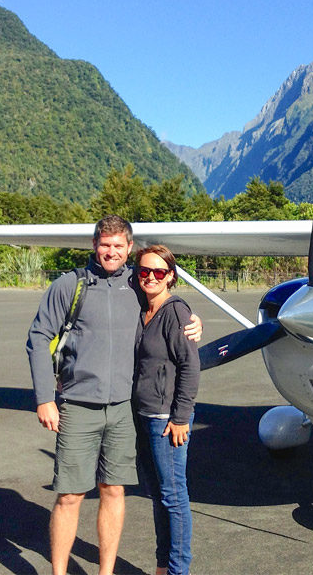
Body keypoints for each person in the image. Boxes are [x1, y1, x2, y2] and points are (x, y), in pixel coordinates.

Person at [26, 215, 202, 575]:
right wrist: (45, 397)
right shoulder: (69, 285)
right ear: (95, 246)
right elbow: (39, 337)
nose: (111, 252)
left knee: (113, 491)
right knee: (70, 495)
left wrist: (193, 319)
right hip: (78, 406)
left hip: (124, 409)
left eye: (118, 246)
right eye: (105, 245)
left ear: (128, 249)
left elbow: (165, 301)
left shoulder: (136, 285)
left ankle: (106, 572)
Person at [133, 245, 200, 575]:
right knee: (159, 495)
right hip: (143, 414)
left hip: (166, 418)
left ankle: (178, 570)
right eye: (144, 271)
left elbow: (190, 366)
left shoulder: (176, 313)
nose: (150, 277)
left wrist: (180, 418)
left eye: (158, 272)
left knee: (174, 497)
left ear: (170, 277)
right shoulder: (141, 308)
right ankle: (163, 565)